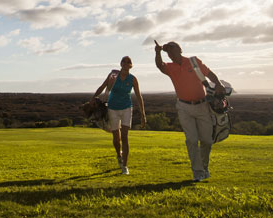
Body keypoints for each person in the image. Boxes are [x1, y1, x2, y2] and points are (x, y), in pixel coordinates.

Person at [153, 40, 225, 182]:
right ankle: (197, 172)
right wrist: (157, 53)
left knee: (206, 140)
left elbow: (209, 74)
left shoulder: (193, 61)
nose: (170, 54)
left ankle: (204, 167)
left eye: (172, 50)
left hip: (202, 105)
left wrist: (219, 84)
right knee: (191, 140)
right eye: (168, 52)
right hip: (184, 107)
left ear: (180, 49)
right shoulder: (170, 67)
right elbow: (160, 66)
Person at [90, 56, 146, 175]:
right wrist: (92, 98)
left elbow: (138, 96)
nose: (126, 64)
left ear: (131, 65)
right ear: (120, 64)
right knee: (117, 138)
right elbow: (102, 87)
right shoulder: (113, 76)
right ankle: (118, 154)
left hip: (126, 108)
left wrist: (143, 114)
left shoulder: (133, 79)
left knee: (125, 137)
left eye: (128, 62)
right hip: (112, 109)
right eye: (124, 61)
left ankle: (125, 166)